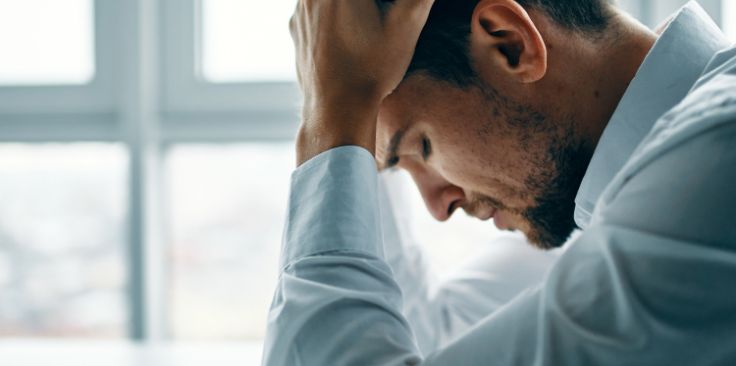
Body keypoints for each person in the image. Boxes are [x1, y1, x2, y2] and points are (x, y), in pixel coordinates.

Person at [263, 0, 736, 364]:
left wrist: (335, 117)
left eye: (422, 148)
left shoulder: (712, 166)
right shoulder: (624, 203)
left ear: (511, 45)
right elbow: (440, 333)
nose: (437, 206)